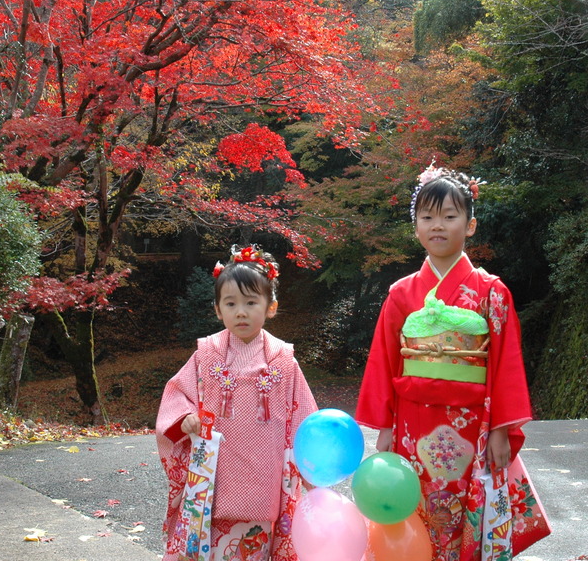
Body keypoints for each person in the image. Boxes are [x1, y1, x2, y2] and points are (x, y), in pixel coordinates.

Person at [356, 162, 534, 561]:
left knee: (469, 506)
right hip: (411, 419)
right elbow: (385, 361)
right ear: (416, 227)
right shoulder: (401, 293)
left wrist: (503, 430)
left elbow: (506, 364)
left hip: (474, 422)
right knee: (415, 507)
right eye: (427, 217)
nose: (438, 225)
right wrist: (384, 426)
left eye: (450, 216)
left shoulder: (491, 292)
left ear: (469, 225)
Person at [156, 245, 318, 561]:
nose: (240, 311)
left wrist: (314, 475)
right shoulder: (206, 355)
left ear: (271, 307)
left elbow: (304, 418)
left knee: (254, 547)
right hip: (212, 479)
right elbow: (177, 393)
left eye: (251, 302)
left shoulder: (283, 361)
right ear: (218, 310)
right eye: (230, 303)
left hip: (264, 480)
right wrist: (186, 416)